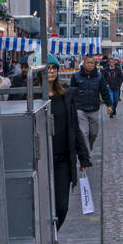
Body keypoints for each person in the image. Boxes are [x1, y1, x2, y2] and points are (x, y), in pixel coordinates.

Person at [43, 63, 91, 230]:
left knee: (61, 207)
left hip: (62, 160)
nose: (51, 72)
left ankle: (52, 236)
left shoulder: (66, 95)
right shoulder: (32, 95)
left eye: (54, 68)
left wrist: (84, 157)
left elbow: (74, 128)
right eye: (47, 68)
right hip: (40, 159)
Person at [70, 55, 106, 149]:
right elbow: (71, 92)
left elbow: (104, 90)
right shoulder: (76, 76)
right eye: (88, 62)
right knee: (83, 133)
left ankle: (88, 148)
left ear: (95, 65)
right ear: (84, 64)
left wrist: (109, 104)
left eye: (92, 63)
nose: (90, 64)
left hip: (94, 108)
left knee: (93, 133)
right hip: (80, 108)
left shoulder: (99, 76)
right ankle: (86, 156)